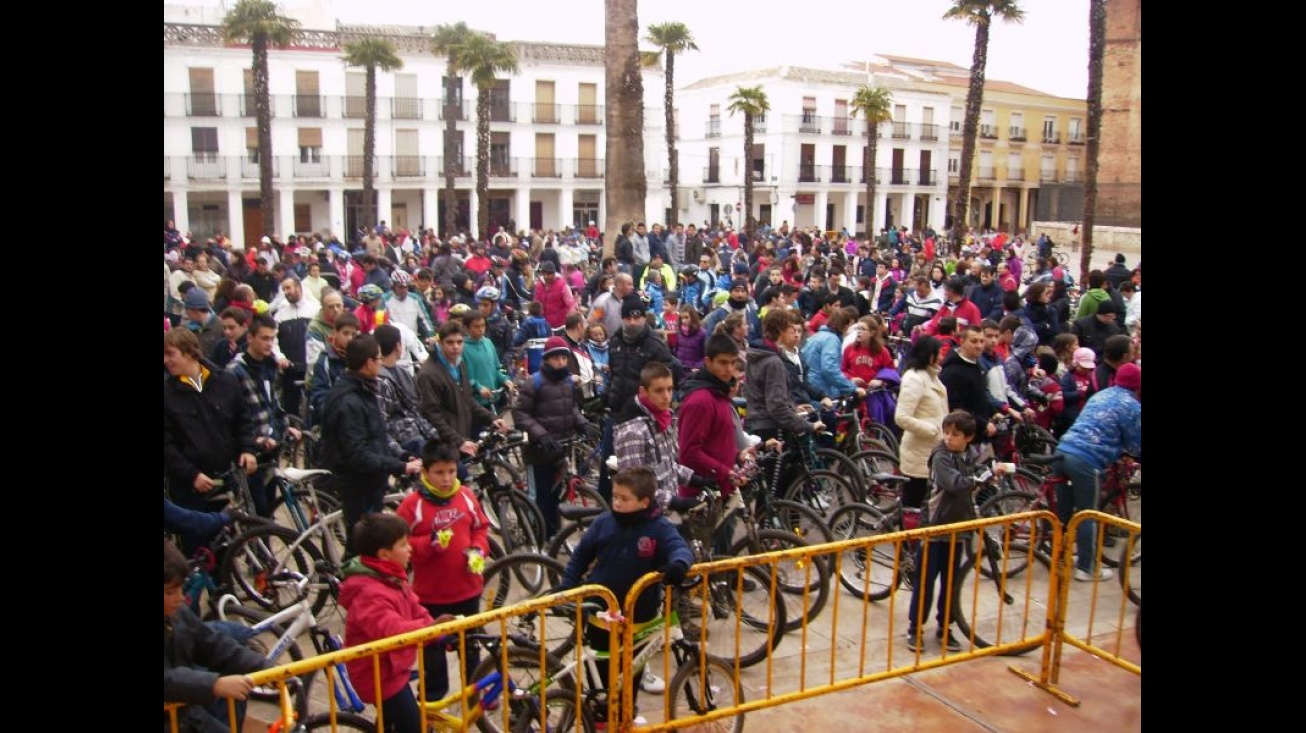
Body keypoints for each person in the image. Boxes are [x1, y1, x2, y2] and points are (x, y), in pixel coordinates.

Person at [552, 467, 694, 721]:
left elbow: (679, 548)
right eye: (615, 496)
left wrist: (679, 565)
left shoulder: (659, 527)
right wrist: (567, 586)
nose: (616, 502)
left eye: (624, 498)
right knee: (600, 672)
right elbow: (580, 556)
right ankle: (600, 716)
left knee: (631, 674)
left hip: (639, 618)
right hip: (600, 615)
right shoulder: (604, 523)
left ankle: (626, 714)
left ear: (644, 501)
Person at [395, 439, 492, 704]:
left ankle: (476, 692)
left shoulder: (467, 496)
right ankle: (432, 702)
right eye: (439, 473)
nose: (447, 479)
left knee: (471, 649)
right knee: (433, 656)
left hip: (468, 591)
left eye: (451, 471)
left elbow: (481, 528)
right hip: (430, 598)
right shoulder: (411, 505)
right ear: (425, 472)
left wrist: (479, 550)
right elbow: (398, 545)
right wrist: (428, 544)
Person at [904, 410, 1009, 652]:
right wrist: (986, 476)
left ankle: (945, 627)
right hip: (934, 527)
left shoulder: (968, 455)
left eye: (956, 434)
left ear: (969, 438)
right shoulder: (940, 456)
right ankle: (914, 627)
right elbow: (955, 483)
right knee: (925, 582)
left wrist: (989, 475)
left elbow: (973, 479)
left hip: (958, 528)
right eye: (947, 433)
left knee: (950, 582)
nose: (949, 438)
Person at [319, 333, 423, 557]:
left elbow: (378, 435)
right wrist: (399, 467)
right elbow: (357, 453)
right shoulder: (349, 400)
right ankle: (348, 587)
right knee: (360, 546)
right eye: (378, 358)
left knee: (367, 544)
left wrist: (402, 456)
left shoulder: (365, 389)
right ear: (368, 363)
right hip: (358, 483)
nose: (381, 362)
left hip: (372, 480)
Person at [338, 513, 437, 733]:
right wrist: (430, 631)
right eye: (403, 545)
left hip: (393, 667)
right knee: (414, 727)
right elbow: (392, 630)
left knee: (395, 723)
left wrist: (437, 629)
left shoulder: (391, 576)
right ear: (384, 554)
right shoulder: (369, 592)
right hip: (377, 676)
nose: (410, 548)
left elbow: (415, 607)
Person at [164, 539, 270, 733]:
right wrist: (215, 684)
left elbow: (210, 643)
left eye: (180, 588)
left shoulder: (177, 613)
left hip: (184, 716)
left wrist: (263, 666)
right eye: (170, 591)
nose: (180, 597)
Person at [1053, 363, 1142, 582]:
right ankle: (1087, 568)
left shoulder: (1102, 394)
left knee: (1064, 513)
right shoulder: (1132, 406)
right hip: (1086, 460)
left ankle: (1063, 555)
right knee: (1088, 515)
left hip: (1062, 450)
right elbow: (1136, 442)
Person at [164, 329, 259, 520]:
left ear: (190, 352)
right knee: (198, 545)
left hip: (226, 480)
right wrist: (192, 475)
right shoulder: (167, 394)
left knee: (230, 543)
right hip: (190, 488)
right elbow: (166, 445)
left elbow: (243, 419)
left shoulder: (226, 381)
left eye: (170, 354)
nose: (165, 360)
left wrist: (248, 449)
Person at [512, 336, 592, 539]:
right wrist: (541, 434)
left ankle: (553, 532)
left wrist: (582, 423)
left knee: (554, 495)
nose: (561, 362)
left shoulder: (567, 382)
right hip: (538, 451)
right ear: (546, 359)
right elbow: (520, 414)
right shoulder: (534, 383)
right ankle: (535, 536)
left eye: (564, 358)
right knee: (539, 496)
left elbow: (572, 408)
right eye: (556, 358)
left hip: (559, 448)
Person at [227, 313, 298, 517]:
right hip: (251, 454)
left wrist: (284, 427)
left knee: (268, 507)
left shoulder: (271, 366)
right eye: (264, 338)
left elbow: (276, 404)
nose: (269, 344)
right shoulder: (235, 372)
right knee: (257, 514)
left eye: (272, 339)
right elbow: (233, 417)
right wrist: (252, 440)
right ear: (250, 338)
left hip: (271, 450)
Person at [417, 320, 511, 459]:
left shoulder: (459, 363)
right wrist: (458, 441)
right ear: (440, 343)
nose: (455, 347)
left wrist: (491, 418)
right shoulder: (428, 374)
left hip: (461, 434)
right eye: (450, 342)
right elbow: (432, 416)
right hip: (443, 446)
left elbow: (467, 398)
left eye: (459, 342)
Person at [894, 336, 949, 521]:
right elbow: (902, 417)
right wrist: (931, 429)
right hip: (918, 454)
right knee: (913, 506)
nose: (941, 357)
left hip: (932, 452)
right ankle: (907, 546)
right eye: (938, 353)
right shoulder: (914, 379)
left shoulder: (932, 377)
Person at [375, 324, 442, 457]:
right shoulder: (379, 381)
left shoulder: (403, 373)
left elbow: (417, 409)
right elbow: (380, 424)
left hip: (423, 433)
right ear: (398, 346)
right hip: (406, 443)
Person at [938, 324, 997, 443]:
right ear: (962, 341)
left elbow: (981, 395)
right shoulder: (953, 372)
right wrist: (983, 424)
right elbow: (956, 408)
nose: (979, 346)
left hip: (980, 435)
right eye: (974, 341)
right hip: (963, 438)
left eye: (981, 341)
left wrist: (993, 412)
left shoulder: (977, 366)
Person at [307, 312, 360, 426]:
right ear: (335, 333)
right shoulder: (325, 361)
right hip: (335, 421)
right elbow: (320, 397)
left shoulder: (360, 358)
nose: (350, 338)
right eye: (345, 333)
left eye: (354, 334)